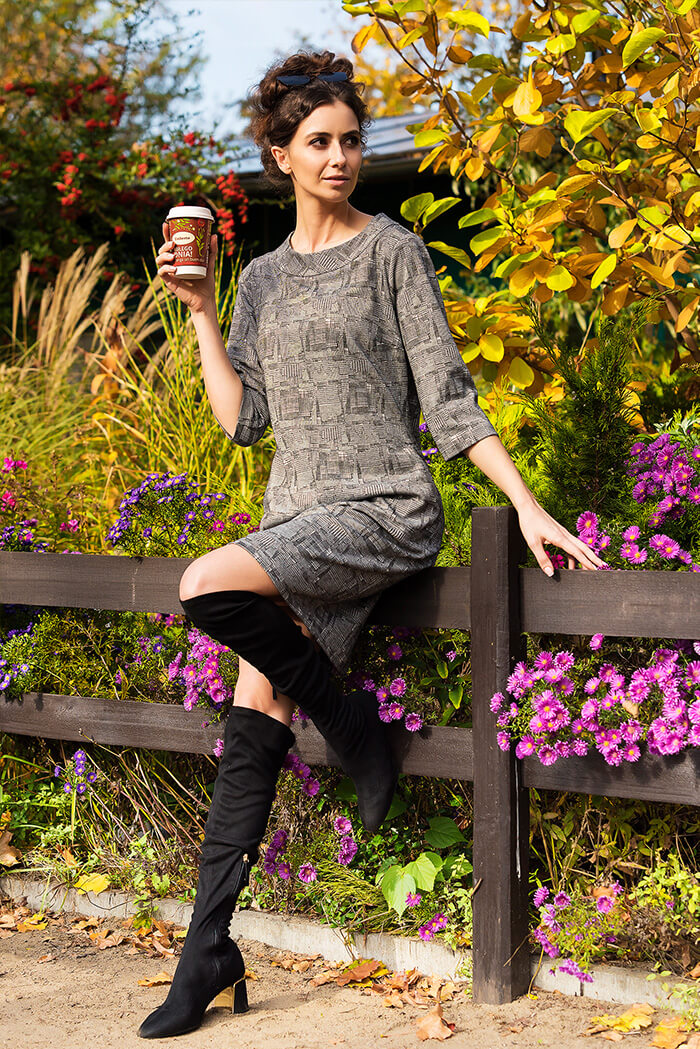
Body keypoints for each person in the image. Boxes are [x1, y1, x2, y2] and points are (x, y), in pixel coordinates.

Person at [138, 48, 605, 1039]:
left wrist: (524, 503)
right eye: (319, 142)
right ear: (280, 156)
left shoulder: (393, 251)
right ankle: (206, 951)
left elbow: (448, 398)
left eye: (351, 140)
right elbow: (242, 421)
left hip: (385, 509)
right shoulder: (261, 280)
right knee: (255, 706)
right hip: (298, 521)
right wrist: (202, 312)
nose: (341, 157)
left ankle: (354, 727)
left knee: (203, 584)